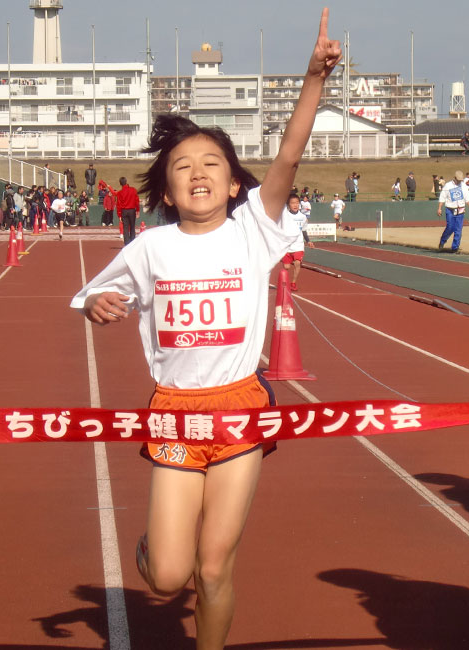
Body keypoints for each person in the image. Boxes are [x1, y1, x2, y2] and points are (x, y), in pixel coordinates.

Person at [70, 11, 340, 648]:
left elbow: (291, 152)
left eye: (212, 162)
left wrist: (311, 82)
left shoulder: (255, 229)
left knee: (214, 566)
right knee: (167, 575)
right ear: (165, 186)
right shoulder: (150, 247)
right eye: (183, 165)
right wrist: (97, 306)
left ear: (233, 179)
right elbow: (93, 294)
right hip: (175, 412)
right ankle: (153, 549)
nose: (197, 172)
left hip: (241, 409)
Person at [437, 170, 469, 253]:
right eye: (458, 180)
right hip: (450, 209)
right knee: (450, 227)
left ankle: (455, 247)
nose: (460, 181)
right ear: (454, 178)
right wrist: (439, 208)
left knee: (458, 229)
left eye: (461, 180)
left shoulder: (463, 186)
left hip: (460, 210)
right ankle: (443, 241)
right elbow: (442, 197)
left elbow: (467, 198)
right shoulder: (448, 186)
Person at [281, 194, 308, 290]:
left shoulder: (303, 217)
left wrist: (308, 241)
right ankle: (283, 281)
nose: (295, 205)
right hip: (287, 245)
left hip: (298, 245)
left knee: (297, 263)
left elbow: (304, 229)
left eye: (297, 203)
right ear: (288, 205)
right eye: (292, 203)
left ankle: (293, 283)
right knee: (287, 267)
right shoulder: (284, 216)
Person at [115, 176, 140, 245]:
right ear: (126, 182)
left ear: (120, 184)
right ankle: (132, 243)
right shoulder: (133, 190)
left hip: (124, 211)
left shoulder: (120, 193)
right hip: (132, 210)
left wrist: (119, 214)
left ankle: (127, 244)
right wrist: (137, 210)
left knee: (125, 228)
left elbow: (118, 205)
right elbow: (136, 201)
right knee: (132, 227)